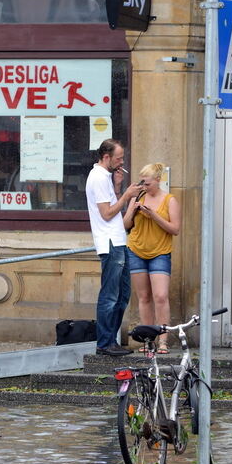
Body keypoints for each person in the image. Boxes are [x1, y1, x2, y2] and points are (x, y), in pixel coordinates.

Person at [85, 139, 141, 356]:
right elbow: (107, 213)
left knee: (123, 293)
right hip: (109, 242)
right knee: (110, 294)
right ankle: (105, 342)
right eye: (118, 158)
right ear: (106, 157)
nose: (121, 162)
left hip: (118, 240)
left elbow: (113, 209)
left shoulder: (106, 178)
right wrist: (126, 194)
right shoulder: (98, 177)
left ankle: (110, 340)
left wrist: (118, 188)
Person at [123, 162, 181, 354]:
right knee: (144, 297)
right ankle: (148, 341)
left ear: (158, 180)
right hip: (136, 250)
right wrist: (133, 209)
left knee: (161, 296)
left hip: (160, 252)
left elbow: (175, 229)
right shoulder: (138, 197)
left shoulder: (170, 200)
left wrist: (153, 215)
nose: (144, 187)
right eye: (142, 183)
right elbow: (125, 224)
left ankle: (163, 340)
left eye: (147, 184)